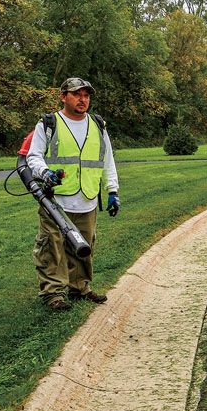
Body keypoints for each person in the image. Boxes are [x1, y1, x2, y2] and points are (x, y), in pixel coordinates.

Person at [26, 77, 120, 311]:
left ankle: (80, 288)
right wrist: (45, 172)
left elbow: (107, 161)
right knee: (52, 247)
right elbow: (33, 156)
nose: (82, 99)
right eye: (77, 94)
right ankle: (54, 294)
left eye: (86, 95)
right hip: (55, 200)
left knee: (84, 246)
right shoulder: (49, 123)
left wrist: (113, 190)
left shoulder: (98, 125)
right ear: (63, 96)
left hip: (87, 199)